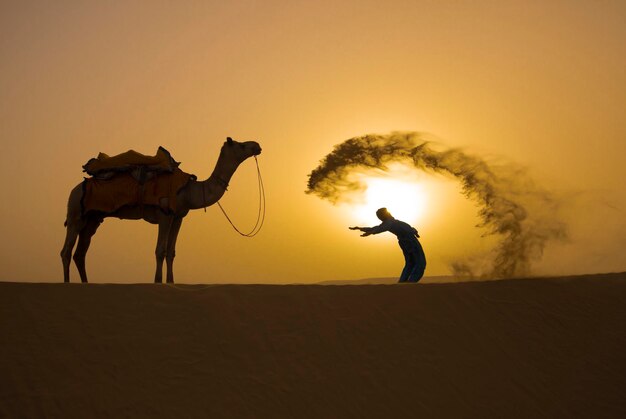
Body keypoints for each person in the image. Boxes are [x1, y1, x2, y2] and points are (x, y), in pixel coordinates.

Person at [349, 208, 426, 283]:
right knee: (420, 262)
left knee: (410, 263)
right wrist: (371, 232)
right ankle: (410, 282)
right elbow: (381, 228)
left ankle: (403, 282)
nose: (389, 213)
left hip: (406, 241)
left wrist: (362, 229)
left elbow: (377, 228)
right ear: (386, 215)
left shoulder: (391, 222)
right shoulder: (389, 222)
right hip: (409, 241)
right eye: (387, 212)